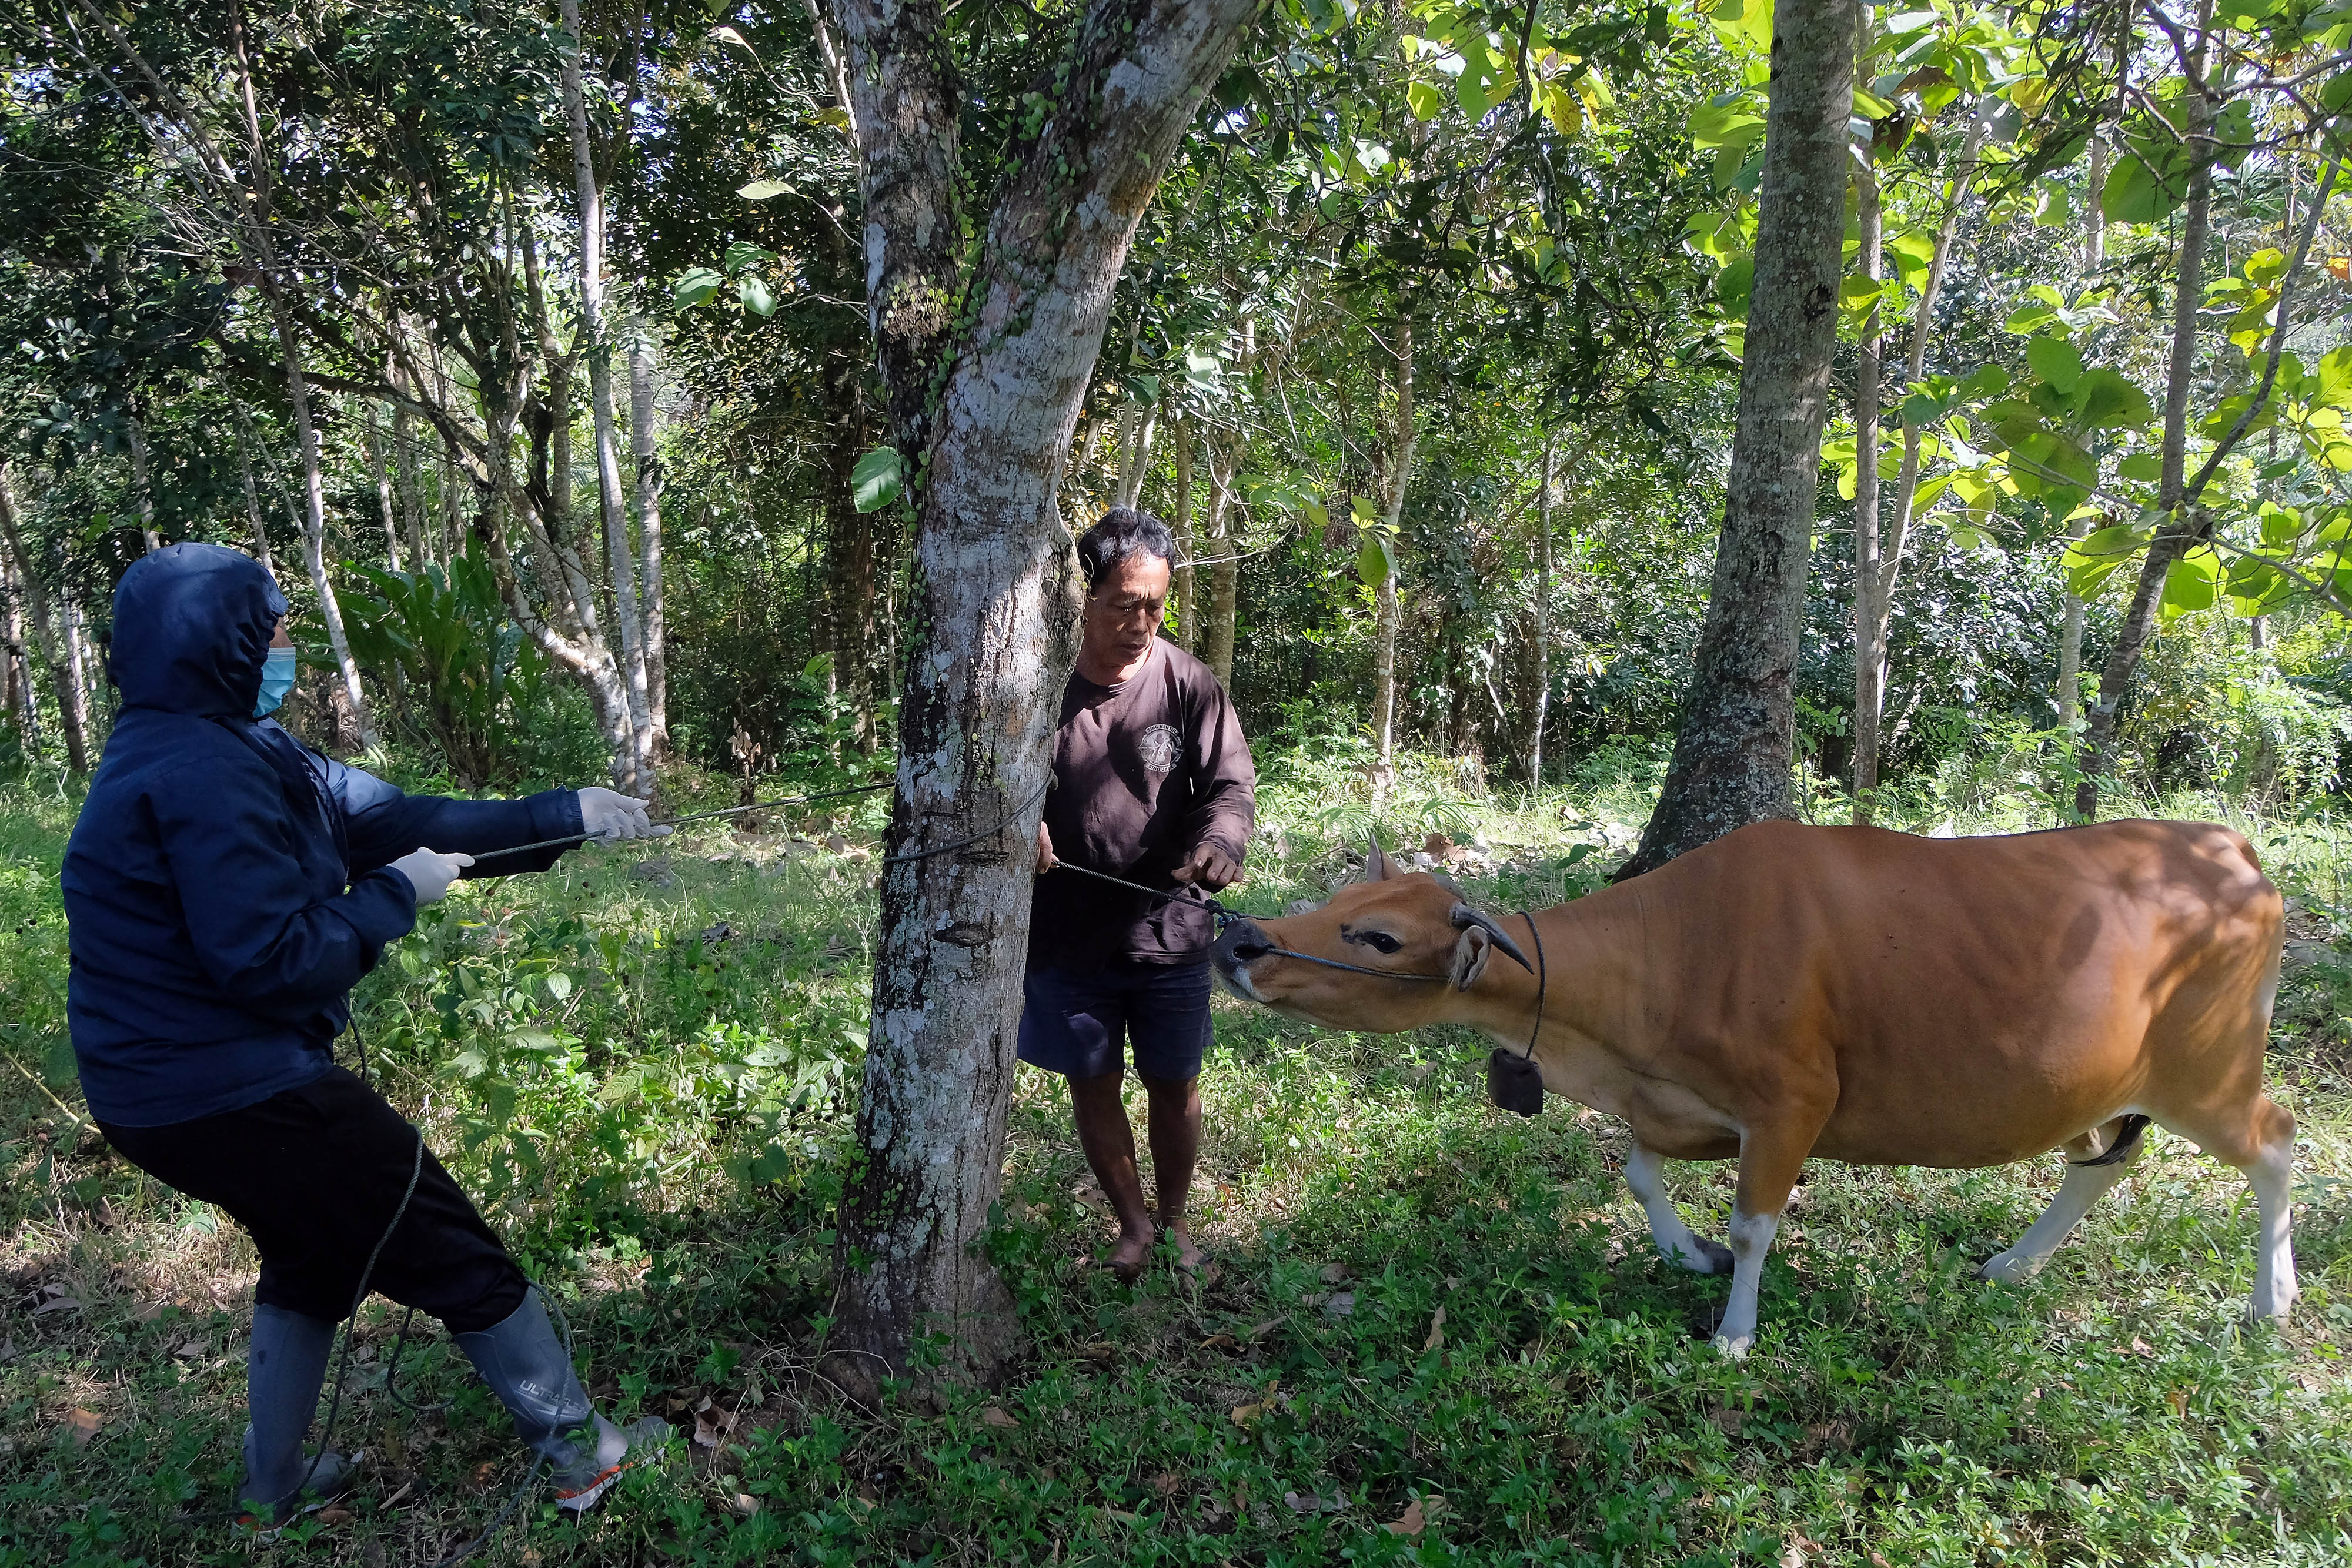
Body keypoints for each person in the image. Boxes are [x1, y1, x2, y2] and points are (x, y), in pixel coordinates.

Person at [61, 543, 668, 1527]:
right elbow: (272, 961)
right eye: (274, 631)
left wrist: (565, 815)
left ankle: (273, 1487)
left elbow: (395, 814)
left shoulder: (234, 742)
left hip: (168, 1092)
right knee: (444, 1240)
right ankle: (582, 1454)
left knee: (313, 1255)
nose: (286, 647)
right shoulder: (197, 772)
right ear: (221, 643)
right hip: (227, 1089)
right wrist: (395, 895)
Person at [1025, 508, 1256, 1279]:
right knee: (1093, 1083)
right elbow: (996, 781)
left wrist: (1221, 841)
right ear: (1082, 599)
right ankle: (1132, 1226)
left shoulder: (1187, 683)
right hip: (1068, 934)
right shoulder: (1037, 687)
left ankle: (1177, 1220)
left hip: (1169, 929)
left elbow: (1230, 783)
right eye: (1125, 604)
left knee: (1174, 1080)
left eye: (1156, 605)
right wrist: (1020, 825)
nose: (1142, 622)